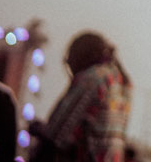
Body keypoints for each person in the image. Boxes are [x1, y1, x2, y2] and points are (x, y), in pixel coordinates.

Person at [29, 32, 131, 162]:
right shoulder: (121, 82)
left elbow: (57, 136)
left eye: (70, 60)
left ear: (80, 56)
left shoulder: (90, 79)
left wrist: (36, 127)